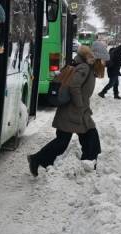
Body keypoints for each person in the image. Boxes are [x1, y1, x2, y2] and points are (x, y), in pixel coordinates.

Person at [27, 46, 101, 177]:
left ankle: (38, 159)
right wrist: (80, 104)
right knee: (81, 138)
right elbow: (74, 85)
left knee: (73, 139)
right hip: (74, 112)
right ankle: (88, 163)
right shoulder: (84, 68)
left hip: (76, 112)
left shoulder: (85, 67)